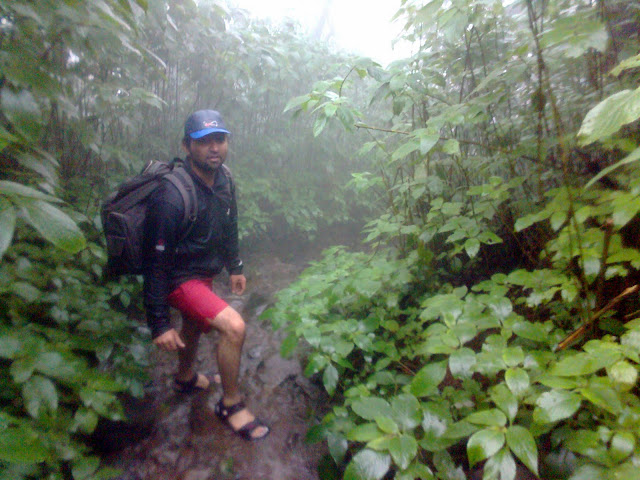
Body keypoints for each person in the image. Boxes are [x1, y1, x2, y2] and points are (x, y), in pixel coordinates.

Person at [142, 110, 269, 441]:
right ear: (187, 145)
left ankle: (184, 378)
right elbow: (154, 263)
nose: (214, 148)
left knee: (196, 325)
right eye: (204, 141)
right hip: (177, 277)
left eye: (220, 140)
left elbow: (230, 225)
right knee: (234, 328)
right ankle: (230, 404)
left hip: (204, 270)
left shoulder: (224, 178)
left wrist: (235, 266)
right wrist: (158, 323)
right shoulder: (171, 194)